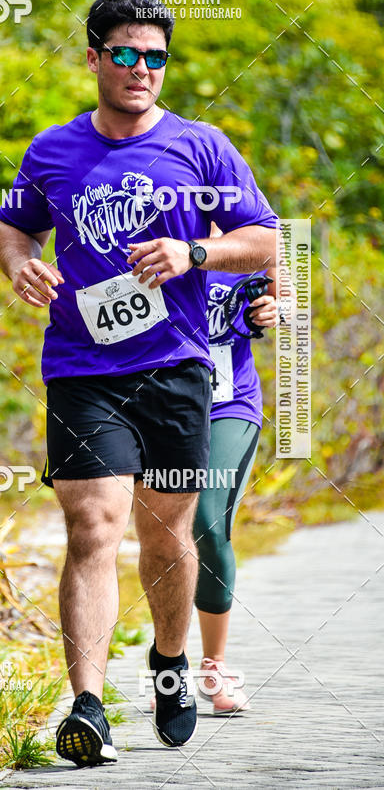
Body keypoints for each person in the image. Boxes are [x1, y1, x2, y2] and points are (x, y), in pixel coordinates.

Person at [0, 0, 279, 767]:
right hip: (82, 366)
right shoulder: (53, 149)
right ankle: (87, 706)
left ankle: (169, 660)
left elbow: (265, 240)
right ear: (94, 57)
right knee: (93, 526)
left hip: (177, 368)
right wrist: (21, 264)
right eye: (125, 53)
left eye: (155, 57)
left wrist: (196, 253)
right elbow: (15, 225)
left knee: (167, 535)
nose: (141, 68)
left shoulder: (202, 147)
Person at [195, 224, 279, 715]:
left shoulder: (248, 236)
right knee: (164, 535)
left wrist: (275, 308)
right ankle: (166, 663)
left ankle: (215, 666)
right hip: (160, 404)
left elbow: (284, 295)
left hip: (229, 401)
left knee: (208, 521)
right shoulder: (144, 231)